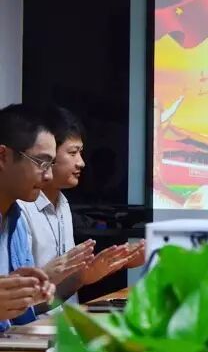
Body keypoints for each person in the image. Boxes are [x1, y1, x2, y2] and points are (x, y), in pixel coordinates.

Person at [19, 106, 145, 307]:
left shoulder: (63, 203)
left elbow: (64, 287)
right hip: (34, 324)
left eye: (81, 152)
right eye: (73, 153)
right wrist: (81, 276)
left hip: (65, 319)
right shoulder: (21, 208)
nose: (81, 163)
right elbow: (22, 302)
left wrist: (99, 269)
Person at [0, 104, 56, 328]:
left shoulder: (17, 219)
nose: (49, 176)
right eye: (41, 163)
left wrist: (32, 293)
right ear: (3, 156)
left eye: (51, 164)